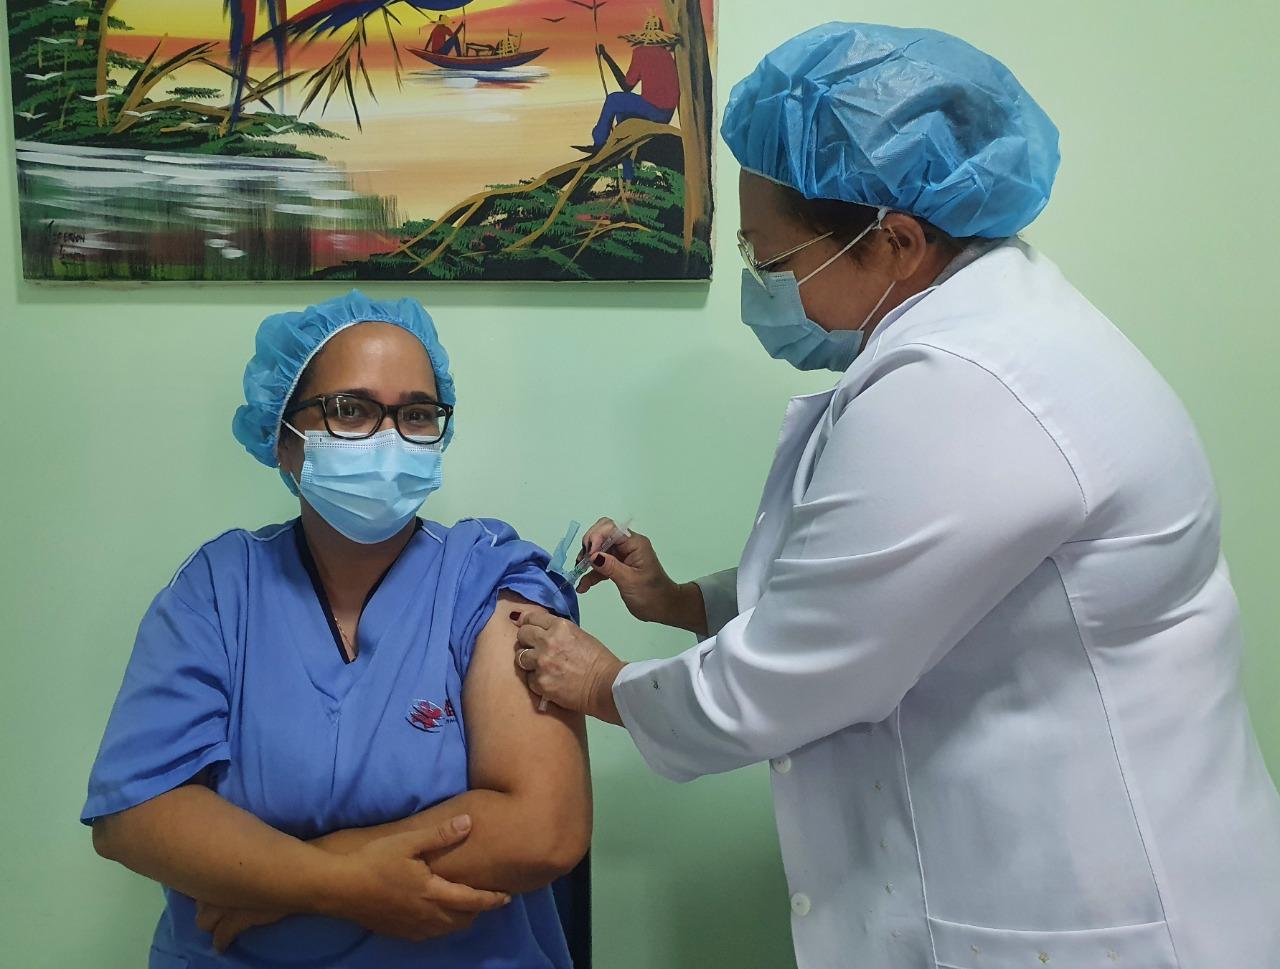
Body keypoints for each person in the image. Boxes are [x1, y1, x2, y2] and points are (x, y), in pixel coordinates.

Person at [508, 22, 1280, 969]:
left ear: (899, 240)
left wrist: (598, 681)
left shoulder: (971, 384)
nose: (764, 289)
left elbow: (794, 672)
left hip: (1097, 914)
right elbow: (868, 585)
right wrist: (684, 604)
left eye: (776, 263)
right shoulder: (978, 334)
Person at [83, 291, 591, 967]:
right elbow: (137, 814)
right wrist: (338, 883)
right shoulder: (216, 590)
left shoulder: (489, 579)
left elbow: (543, 827)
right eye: (351, 410)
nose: (388, 438)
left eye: (415, 414)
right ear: (283, 440)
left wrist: (295, 875)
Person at [573, 15, 680, 180]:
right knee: (622, 119)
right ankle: (629, 175)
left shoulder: (641, 52)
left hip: (653, 110)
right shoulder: (667, 56)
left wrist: (606, 56)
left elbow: (627, 86)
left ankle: (599, 141)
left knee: (614, 100)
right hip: (666, 114)